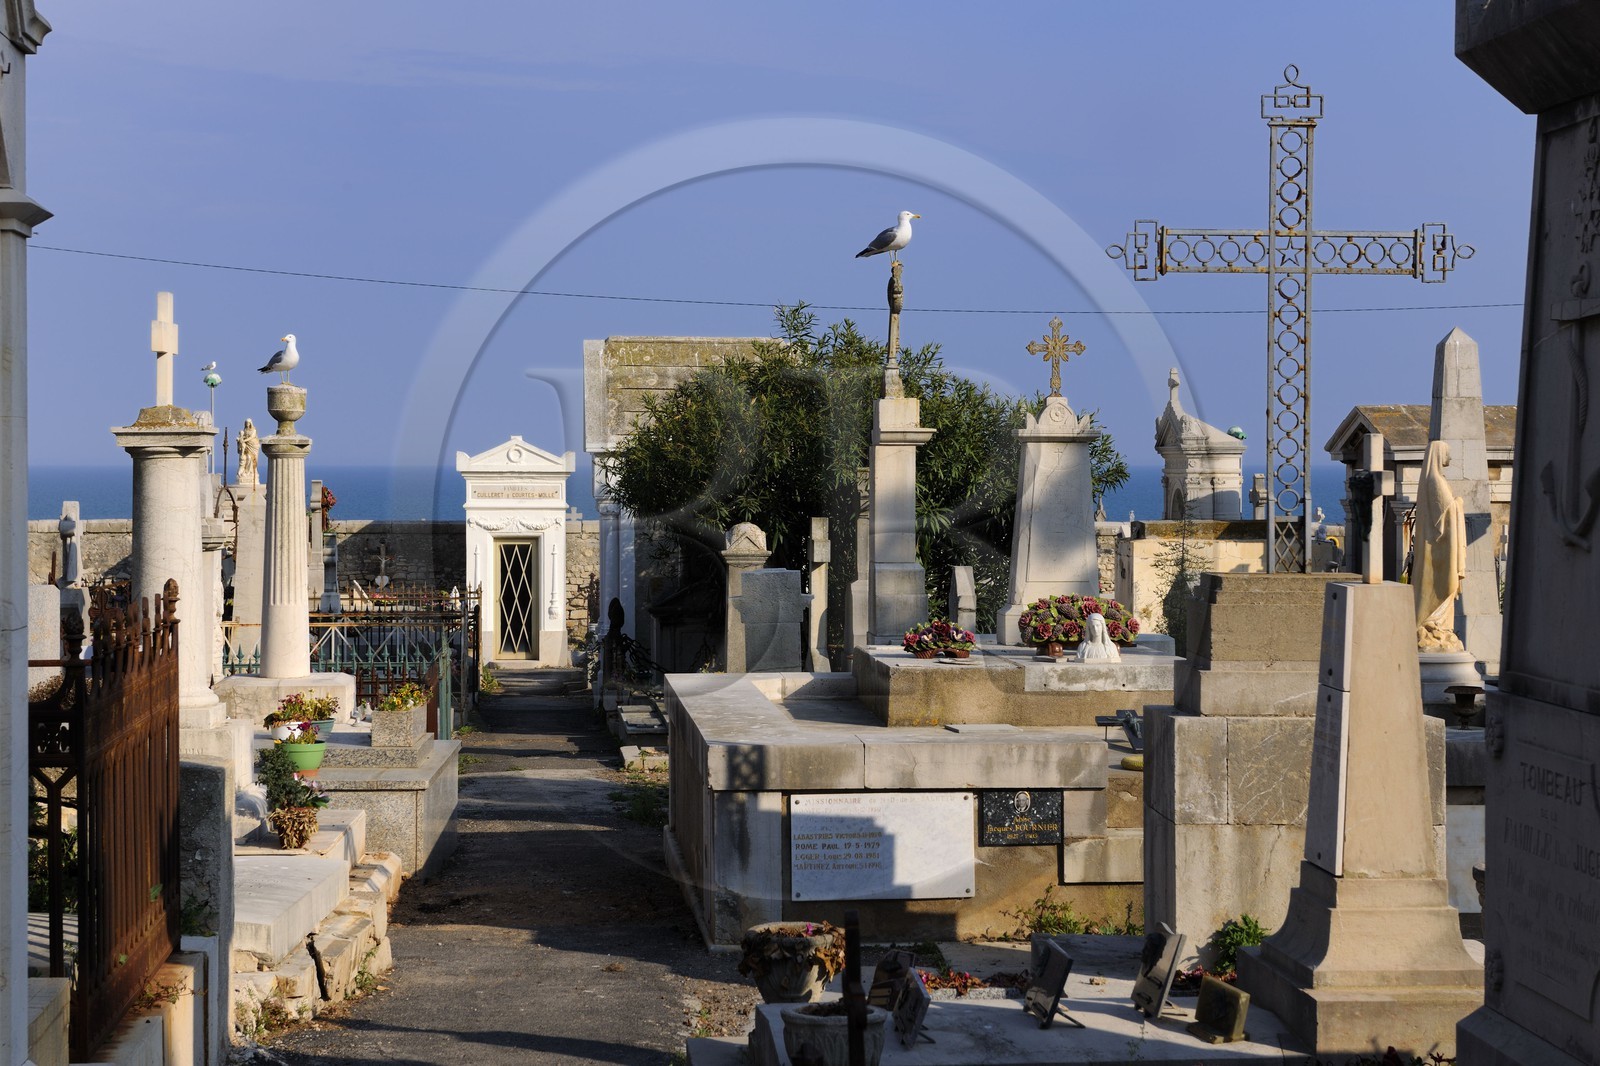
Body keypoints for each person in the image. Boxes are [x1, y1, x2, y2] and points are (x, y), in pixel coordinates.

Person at [1412, 440, 1467, 651]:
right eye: (1447, 453)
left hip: (1437, 548)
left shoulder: (1434, 479)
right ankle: (1433, 625)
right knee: (1443, 586)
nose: (1449, 457)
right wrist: (1459, 503)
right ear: (1439, 455)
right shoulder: (1435, 480)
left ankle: (1440, 628)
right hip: (1439, 551)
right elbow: (1446, 512)